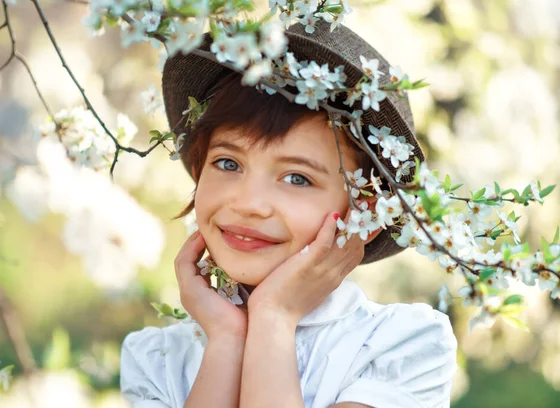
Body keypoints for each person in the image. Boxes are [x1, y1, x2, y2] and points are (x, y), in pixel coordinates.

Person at [120, 19, 458, 408]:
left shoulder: (400, 348)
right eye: (228, 164)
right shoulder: (157, 360)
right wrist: (227, 339)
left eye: (297, 178)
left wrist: (274, 318)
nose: (249, 203)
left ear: (363, 211)